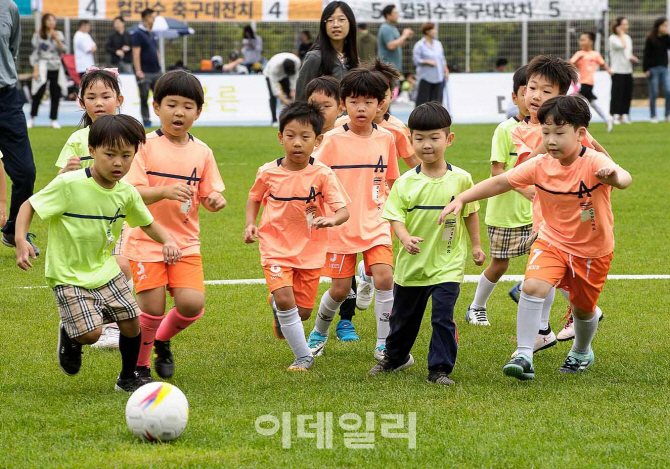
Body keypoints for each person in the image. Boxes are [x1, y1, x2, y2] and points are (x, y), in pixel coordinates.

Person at [440, 95, 632, 380]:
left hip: (592, 250)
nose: (551, 140)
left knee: (583, 309)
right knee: (532, 287)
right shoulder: (540, 164)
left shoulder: (593, 162)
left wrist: (613, 176)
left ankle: (581, 350)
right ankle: (524, 353)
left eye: (559, 133)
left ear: (580, 133)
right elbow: (500, 181)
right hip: (551, 241)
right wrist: (462, 199)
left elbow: (624, 178)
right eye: (545, 133)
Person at [14, 114, 182, 392]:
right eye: (110, 154)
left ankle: (128, 377)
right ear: (92, 152)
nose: (118, 163)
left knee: (130, 321)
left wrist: (167, 240)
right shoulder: (69, 185)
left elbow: (147, 222)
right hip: (68, 273)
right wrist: (21, 240)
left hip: (104, 269)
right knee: (90, 334)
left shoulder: (126, 192)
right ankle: (71, 333)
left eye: (127, 156)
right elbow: (29, 206)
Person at [368, 102, 484, 385]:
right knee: (403, 319)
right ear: (410, 140)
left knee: (442, 317)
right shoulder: (406, 183)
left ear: (449, 139)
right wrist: (405, 238)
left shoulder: (462, 179)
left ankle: (439, 369)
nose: (427, 145)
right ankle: (394, 359)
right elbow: (394, 217)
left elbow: (470, 213)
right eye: (419, 138)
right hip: (412, 266)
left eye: (434, 137)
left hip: (448, 263)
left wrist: (478, 246)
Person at [122, 71, 226, 382]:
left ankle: (162, 341)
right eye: (171, 104)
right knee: (152, 309)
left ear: (198, 111)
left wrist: (214, 199)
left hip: (185, 242)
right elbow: (132, 193)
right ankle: (138, 369)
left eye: (187, 106)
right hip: (146, 239)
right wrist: (164, 190)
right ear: (156, 107)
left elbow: (209, 192)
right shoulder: (143, 146)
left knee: (192, 304)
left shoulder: (202, 151)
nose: (178, 112)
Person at [244, 102, 350, 371]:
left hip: (310, 252)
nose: (297, 143)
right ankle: (303, 357)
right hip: (275, 248)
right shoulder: (268, 172)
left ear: (318, 140)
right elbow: (254, 198)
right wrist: (250, 225)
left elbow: (344, 211)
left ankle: (278, 307)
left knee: (302, 312)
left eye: (305, 137)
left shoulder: (323, 174)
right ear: (280, 137)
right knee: (285, 299)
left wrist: (332, 219)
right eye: (290, 135)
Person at [510, 55, 607, 347]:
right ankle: (541, 331)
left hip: (572, 217)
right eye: (532, 87)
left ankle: (561, 325)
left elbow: (602, 159)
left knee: (553, 273)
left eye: (547, 91)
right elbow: (525, 170)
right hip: (544, 209)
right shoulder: (519, 129)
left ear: (562, 97)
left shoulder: (569, 131)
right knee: (541, 275)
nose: (536, 95)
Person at [307, 68, 399, 360]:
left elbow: (392, 181)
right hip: (341, 227)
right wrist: (315, 213)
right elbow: (313, 178)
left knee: (384, 278)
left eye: (369, 102)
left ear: (380, 105)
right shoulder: (332, 141)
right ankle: (319, 333)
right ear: (343, 103)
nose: (362, 108)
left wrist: (396, 215)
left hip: (376, 223)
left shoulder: (386, 138)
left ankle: (384, 343)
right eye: (355, 101)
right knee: (340, 289)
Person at [54, 68, 129, 349]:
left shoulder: (130, 133)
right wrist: (66, 171)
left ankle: (111, 326)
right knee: (89, 274)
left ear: (118, 99)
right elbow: (59, 183)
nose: (99, 103)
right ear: (81, 102)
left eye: (106, 96)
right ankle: (75, 321)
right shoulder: (76, 140)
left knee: (121, 265)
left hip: (118, 218)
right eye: (92, 97)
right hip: (84, 222)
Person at [465, 66, 534, 328]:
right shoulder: (506, 129)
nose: (531, 98)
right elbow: (497, 170)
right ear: (515, 97)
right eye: (525, 92)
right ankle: (477, 306)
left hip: (538, 213)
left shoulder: (550, 129)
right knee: (500, 264)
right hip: (505, 212)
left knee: (547, 262)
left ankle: (541, 306)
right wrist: (524, 188)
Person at [0, 0, 39, 255]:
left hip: (6, 99)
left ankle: (14, 232)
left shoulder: (9, 6)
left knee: (26, 172)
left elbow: (12, 48)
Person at [296, 1, 359, 101]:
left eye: (341, 19)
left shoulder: (354, 60)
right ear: (324, 26)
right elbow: (301, 99)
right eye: (330, 20)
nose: (335, 25)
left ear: (350, 23)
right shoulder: (315, 57)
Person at [28, 13, 66, 129]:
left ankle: (53, 119)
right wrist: (35, 69)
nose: (51, 22)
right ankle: (32, 118)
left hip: (56, 66)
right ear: (44, 22)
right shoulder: (38, 35)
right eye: (48, 20)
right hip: (42, 66)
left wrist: (56, 38)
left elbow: (64, 49)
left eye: (53, 20)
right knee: (38, 92)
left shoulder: (59, 34)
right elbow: (34, 53)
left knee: (55, 93)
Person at [571, 31, 614, 132]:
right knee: (593, 103)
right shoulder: (579, 54)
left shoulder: (595, 54)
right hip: (582, 82)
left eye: (583, 40)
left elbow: (602, 63)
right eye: (580, 40)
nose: (581, 42)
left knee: (575, 100)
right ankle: (608, 119)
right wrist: (575, 61)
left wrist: (609, 71)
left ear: (591, 42)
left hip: (588, 82)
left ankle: (577, 123)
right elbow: (570, 64)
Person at [131, 8, 162, 128]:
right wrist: (138, 70)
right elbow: (136, 53)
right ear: (146, 18)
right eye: (153, 17)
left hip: (156, 71)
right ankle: (147, 121)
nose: (154, 20)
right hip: (144, 72)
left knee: (160, 97)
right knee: (144, 97)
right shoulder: (138, 34)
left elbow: (156, 51)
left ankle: (163, 121)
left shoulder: (152, 33)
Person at [609, 17, 638, 125]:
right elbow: (622, 46)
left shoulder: (628, 37)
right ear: (617, 26)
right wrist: (621, 34)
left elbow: (627, 52)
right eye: (624, 24)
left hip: (628, 70)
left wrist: (632, 57)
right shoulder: (613, 38)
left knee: (627, 93)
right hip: (617, 70)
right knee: (617, 93)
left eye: (627, 24)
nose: (626, 27)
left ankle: (624, 115)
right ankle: (614, 115)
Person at [413, 22, 448, 107]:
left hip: (438, 77)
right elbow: (416, 59)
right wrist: (427, 62)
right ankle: (419, 119)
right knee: (422, 102)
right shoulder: (419, 45)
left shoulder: (438, 44)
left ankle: (436, 120)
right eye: (433, 29)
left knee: (437, 102)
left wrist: (446, 70)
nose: (435, 31)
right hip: (425, 77)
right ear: (427, 31)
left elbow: (442, 58)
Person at [642, 17, 670, 123]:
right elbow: (646, 54)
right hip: (653, 69)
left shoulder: (665, 38)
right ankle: (653, 116)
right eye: (664, 25)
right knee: (654, 92)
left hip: (664, 68)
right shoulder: (651, 38)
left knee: (668, 91)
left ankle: (667, 114)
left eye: (666, 26)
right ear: (658, 26)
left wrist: (667, 35)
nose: (665, 27)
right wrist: (646, 69)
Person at [263, 52, 301, 126]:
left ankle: (291, 118)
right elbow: (275, 89)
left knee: (290, 95)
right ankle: (274, 120)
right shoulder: (274, 68)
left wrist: (293, 91)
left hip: (285, 76)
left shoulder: (297, 62)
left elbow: (294, 78)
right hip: (269, 75)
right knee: (272, 97)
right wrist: (284, 100)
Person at [378, 5, 414, 74]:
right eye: (395, 13)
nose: (397, 15)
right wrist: (404, 35)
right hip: (387, 68)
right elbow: (391, 46)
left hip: (393, 68)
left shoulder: (393, 28)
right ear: (388, 15)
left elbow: (399, 44)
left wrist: (407, 38)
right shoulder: (386, 28)